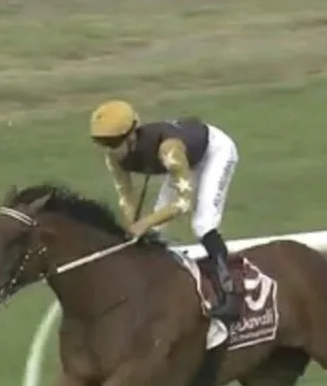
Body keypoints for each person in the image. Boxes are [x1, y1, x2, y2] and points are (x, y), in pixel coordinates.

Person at [88, 99, 241, 325]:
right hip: (183, 160)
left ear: (131, 135)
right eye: (106, 144)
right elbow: (126, 196)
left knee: (203, 224)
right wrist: (133, 226)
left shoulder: (168, 149)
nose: (111, 150)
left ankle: (231, 296)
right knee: (155, 232)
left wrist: (144, 223)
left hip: (213, 154)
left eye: (114, 143)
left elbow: (183, 203)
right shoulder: (113, 157)